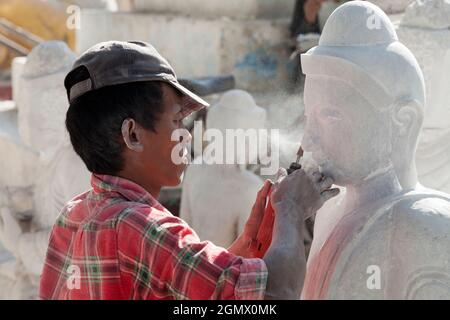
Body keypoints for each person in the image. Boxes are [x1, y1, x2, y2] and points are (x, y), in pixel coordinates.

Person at [39, 41, 339, 300]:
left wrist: (238, 254)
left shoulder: (75, 213)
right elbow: (276, 293)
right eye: (176, 122)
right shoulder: (139, 226)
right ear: (132, 134)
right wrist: (291, 210)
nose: (188, 135)